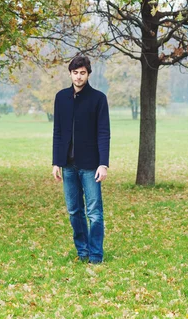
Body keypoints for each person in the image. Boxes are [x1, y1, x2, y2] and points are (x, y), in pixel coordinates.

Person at [52, 56, 110, 264]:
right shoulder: (61, 98)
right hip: (67, 165)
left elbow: (104, 133)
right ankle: (82, 251)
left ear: (88, 74)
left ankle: (95, 255)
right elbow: (57, 131)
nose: (78, 76)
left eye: (82, 72)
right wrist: (56, 162)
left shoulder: (98, 99)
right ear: (70, 74)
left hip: (91, 165)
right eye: (75, 72)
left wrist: (103, 164)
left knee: (94, 212)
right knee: (74, 211)